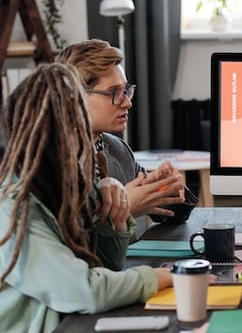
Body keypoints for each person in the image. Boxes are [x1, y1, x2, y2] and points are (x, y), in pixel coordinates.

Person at [0, 64, 173, 333]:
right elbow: (84, 290)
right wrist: (157, 277)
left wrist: (112, 213)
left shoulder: (64, 183)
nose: (87, 143)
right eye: (77, 131)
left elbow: (108, 265)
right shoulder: (12, 208)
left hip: (72, 329)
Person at [56, 39, 188, 236]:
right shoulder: (52, 161)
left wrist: (163, 187)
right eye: (114, 93)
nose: (127, 103)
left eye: (126, 91)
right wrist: (125, 209)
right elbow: (63, 246)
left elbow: (169, 215)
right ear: (75, 95)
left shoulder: (117, 149)